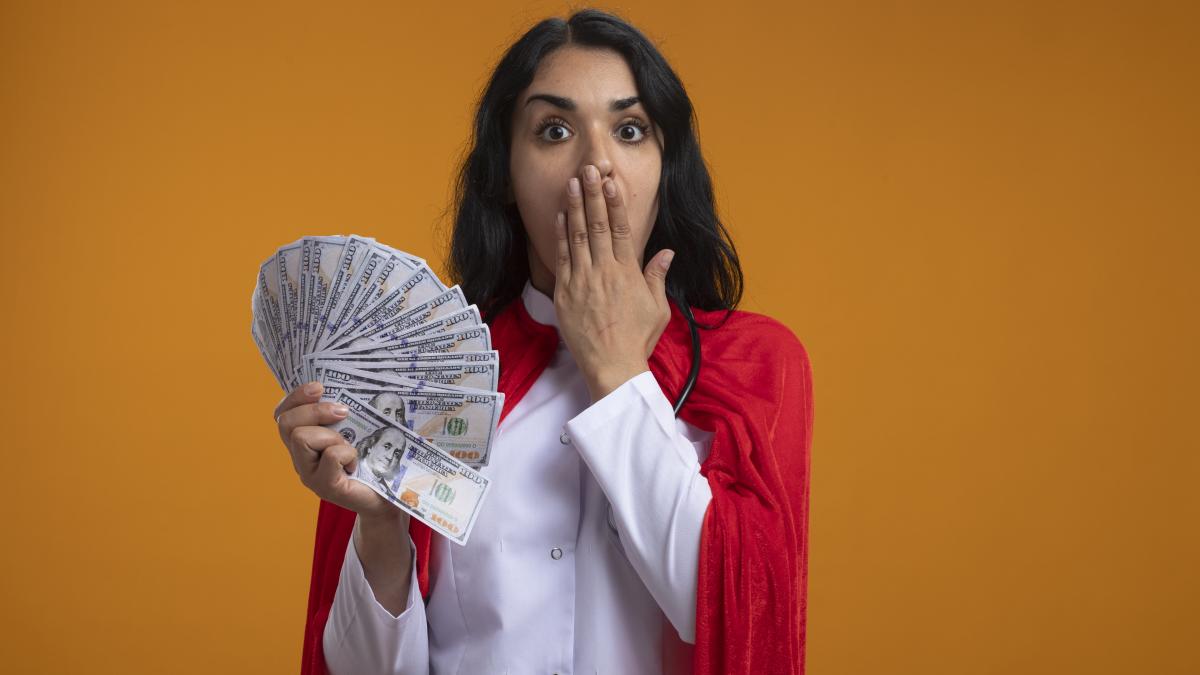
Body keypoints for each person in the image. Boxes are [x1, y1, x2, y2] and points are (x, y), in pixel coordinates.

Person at [273, 8, 813, 675]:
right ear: (506, 173)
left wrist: (617, 369)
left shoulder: (756, 365)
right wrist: (384, 528)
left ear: (666, 167)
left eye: (630, 129)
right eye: (555, 130)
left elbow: (740, 620)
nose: (597, 166)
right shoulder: (428, 375)